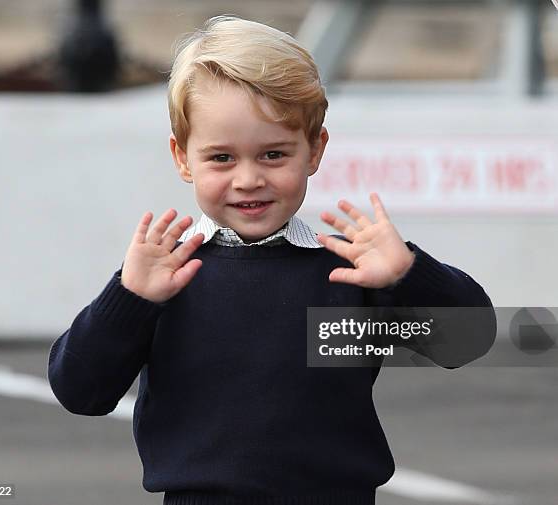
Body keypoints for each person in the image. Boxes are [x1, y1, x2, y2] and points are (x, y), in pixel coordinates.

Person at [47, 15, 496, 505]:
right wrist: (128, 297)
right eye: (221, 158)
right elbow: (80, 390)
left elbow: (467, 340)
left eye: (273, 155)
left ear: (315, 150)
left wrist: (409, 273)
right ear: (182, 157)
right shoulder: (164, 280)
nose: (248, 179)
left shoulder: (349, 274)